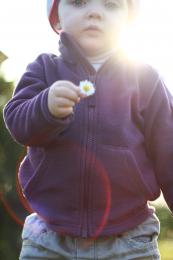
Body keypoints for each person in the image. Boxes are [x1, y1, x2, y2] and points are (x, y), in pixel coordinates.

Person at [4, 0, 173, 259]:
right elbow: (16, 122)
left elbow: (168, 152)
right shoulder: (44, 69)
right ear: (56, 19)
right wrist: (45, 107)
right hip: (49, 237)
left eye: (110, 5)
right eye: (79, 2)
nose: (94, 12)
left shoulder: (146, 79)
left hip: (129, 239)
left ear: (129, 21)